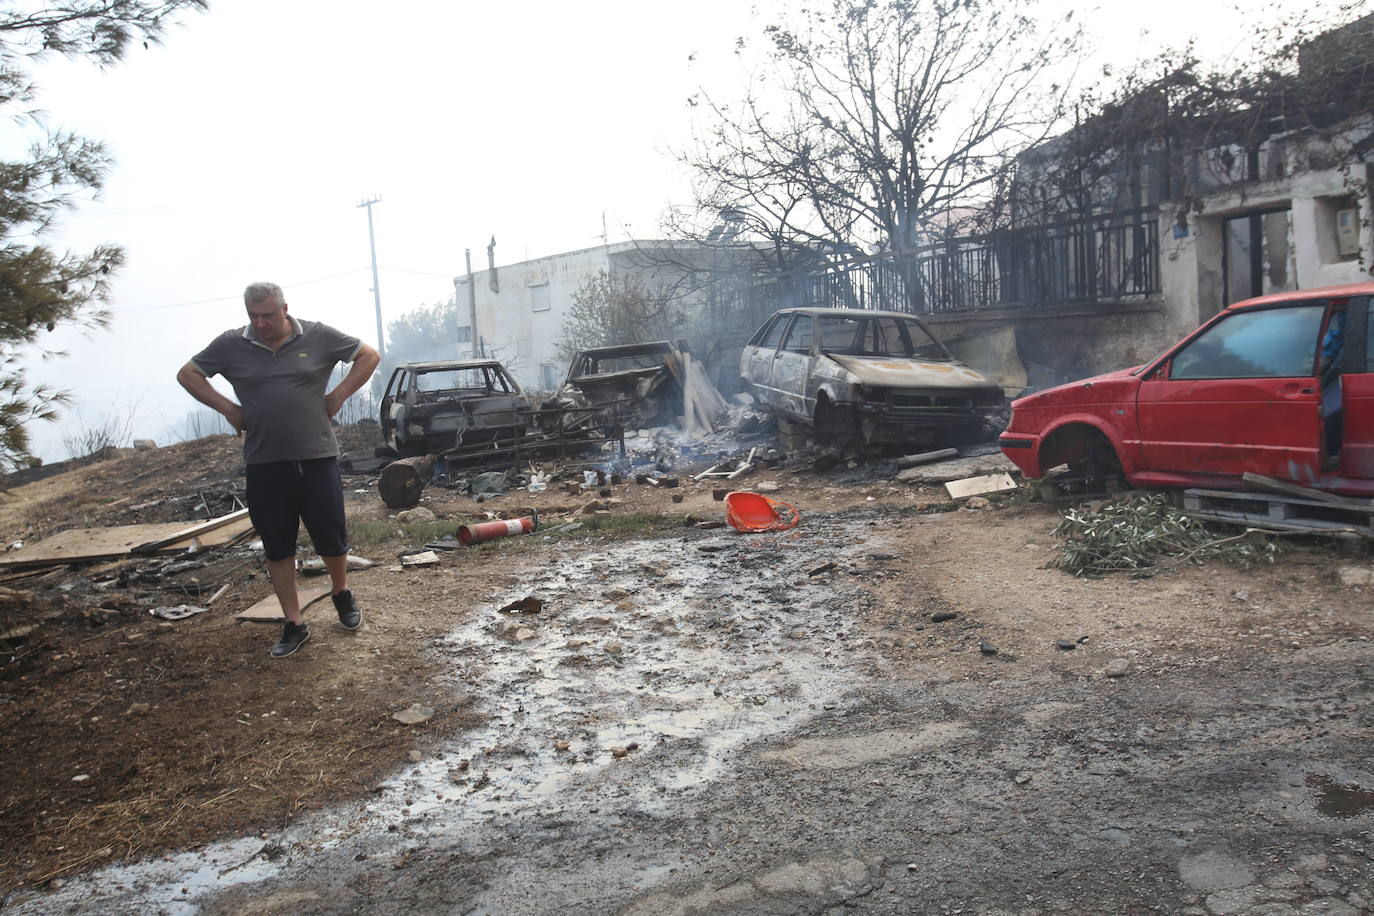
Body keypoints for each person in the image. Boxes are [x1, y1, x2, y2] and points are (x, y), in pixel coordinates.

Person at [176, 282, 382, 658]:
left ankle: (341, 591)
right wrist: (229, 409)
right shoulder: (230, 344)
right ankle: (294, 623)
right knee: (277, 545)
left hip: (316, 456)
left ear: (285, 309)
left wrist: (337, 396)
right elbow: (188, 374)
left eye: (268, 315)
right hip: (264, 461)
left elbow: (368, 355)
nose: (261, 323)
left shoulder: (318, 335)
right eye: (253, 316)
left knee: (331, 537)